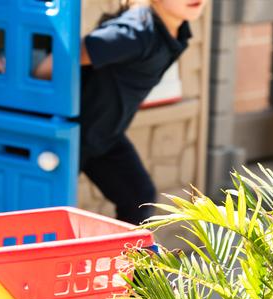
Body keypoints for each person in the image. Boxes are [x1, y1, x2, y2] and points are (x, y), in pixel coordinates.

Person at [34, 0, 209, 225]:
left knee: (139, 197)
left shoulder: (176, 30)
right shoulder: (133, 34)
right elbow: (56, 62)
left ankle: (124, 258)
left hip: (105, 135)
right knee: (46, 212)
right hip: (71, 135)